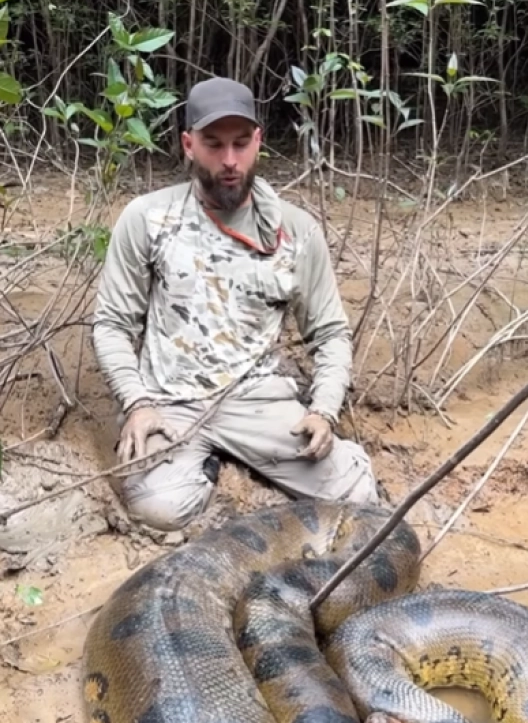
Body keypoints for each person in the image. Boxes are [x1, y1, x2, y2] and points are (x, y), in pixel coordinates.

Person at [92, 76, 379, 532]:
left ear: (258, 142)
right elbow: (111, 323)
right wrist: (137, 402)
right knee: (158, 509)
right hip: (171, 400)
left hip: (258, 400)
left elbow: (329, 333)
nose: (229, 160)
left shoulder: (295, 230)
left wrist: (323, 409)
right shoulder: (147, 218)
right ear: (188, 144)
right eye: (213, 144)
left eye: (241, 144)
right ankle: (208, 467)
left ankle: (255, 457)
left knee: (358, 495)